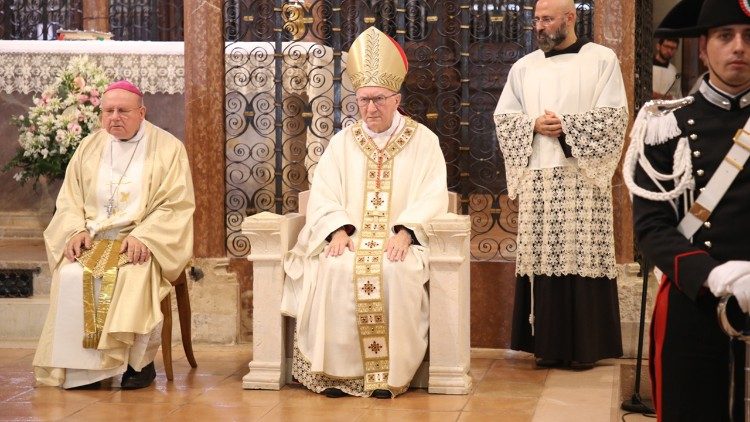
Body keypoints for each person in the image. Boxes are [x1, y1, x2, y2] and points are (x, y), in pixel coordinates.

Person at [282, 26, 448, 399]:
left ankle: (386, 377)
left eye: (378, 100)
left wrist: (406, 233)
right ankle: (339, 375)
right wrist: (337, 231)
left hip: (400, 241)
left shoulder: (423, 141)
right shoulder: (343, 142)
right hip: (352, 239)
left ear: (396, 98)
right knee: (334, 267)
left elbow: (432, 194)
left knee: (396, 271)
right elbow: (324, 192)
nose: (370, 109)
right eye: (363, 100)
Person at [626, 0, 750, 420]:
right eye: (724, 36)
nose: (739, 47)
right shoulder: (664, 125)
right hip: (694, 306)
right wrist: (713, 274)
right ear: (702, 48)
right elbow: (651, 228)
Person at [32, 80, 195, 390]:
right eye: (108, 111)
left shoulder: (168, 148)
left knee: (134, 274)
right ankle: (84, 370)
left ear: (142, 112)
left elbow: (176, 204)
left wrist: (145, 236)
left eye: (123, 110)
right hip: (94, 238)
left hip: (140, 239)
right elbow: (68, 200)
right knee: (69, 274)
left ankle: (139, 365)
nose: (114, 118)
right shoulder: (89, 147)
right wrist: (75, 230)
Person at [493, 0, 627, 370]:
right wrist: (532, 125)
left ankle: (584, 348)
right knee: (543, 259)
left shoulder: (601, 59)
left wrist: (568, 125)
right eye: (536, 19)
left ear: (570, 18)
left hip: (582, 176)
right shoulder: (524, 66)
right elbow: (505, 116)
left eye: (547, 19)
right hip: (539, 176)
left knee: (580, 256)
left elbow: (614, 115)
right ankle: (547, 347)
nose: (539, 26)